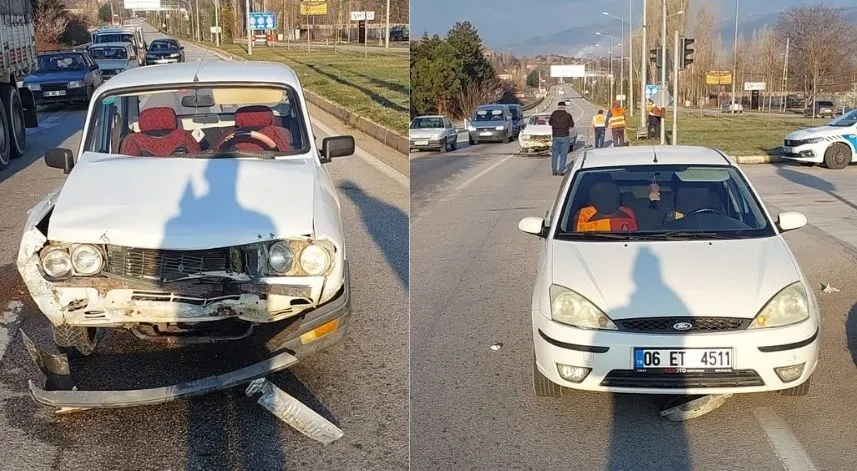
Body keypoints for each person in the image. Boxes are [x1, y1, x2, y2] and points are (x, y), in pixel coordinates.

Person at [573, 181, 638, 232]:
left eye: (610, 195)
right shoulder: (583, 214)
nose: (607, 198)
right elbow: (576, 238)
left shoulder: (628, 212)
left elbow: (634, 237)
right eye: (601, 196)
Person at [548, 101, 575, 175]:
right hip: (565, 136)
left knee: (555, 153)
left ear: (558, 106)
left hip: (555, 136)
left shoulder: (554, 114)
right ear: (564, 107)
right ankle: (560, 171)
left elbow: (550, 123)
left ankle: (554, 170)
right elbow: (572, 124)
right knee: (563, 154)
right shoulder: (568, 115)